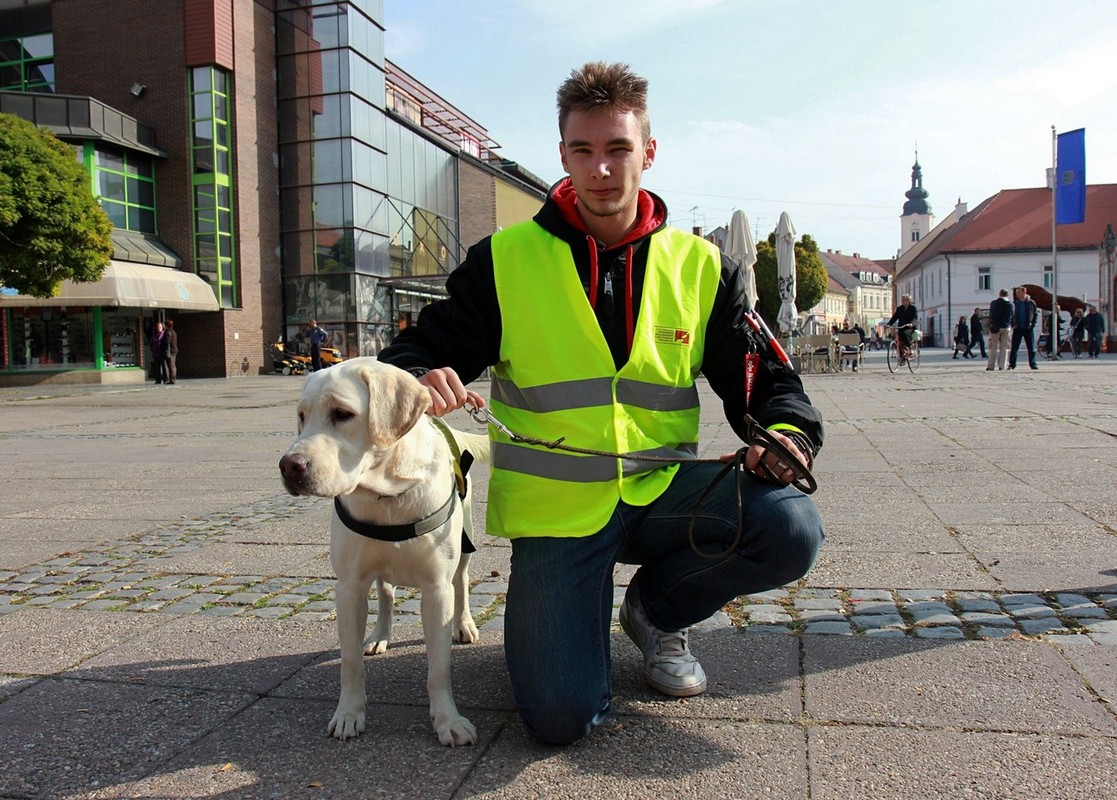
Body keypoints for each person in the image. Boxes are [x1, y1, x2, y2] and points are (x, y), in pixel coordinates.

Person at [378, 61, 825, 746]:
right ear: (563, 156)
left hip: (662, 491)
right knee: (561, 718)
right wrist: (420, 376)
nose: (602, 169)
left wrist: (786, 431)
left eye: (618, 148)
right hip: (558, 512)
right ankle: (564, 630)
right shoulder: (503, 260)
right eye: (583, 150)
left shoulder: (703, 267)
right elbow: (410, 353)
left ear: (648, 151)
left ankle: (656, 613)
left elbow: (767, 380)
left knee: (789, 524)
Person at [1008, 286, 1038, 370]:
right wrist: (1013, 325)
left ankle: (1033, 364)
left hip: (1028, 328)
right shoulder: (1015, 303)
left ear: (1024, 292)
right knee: (1014, 347)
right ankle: (1012, 364)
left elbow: (1035, 314)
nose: (1017, 294)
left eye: (1019, 292)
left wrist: (1033, 325)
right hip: (1017, 328)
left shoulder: (1031, 303)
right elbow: (1011, 315)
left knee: (1031, 348)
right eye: (1017, 292)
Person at [986, 288, 1013, 371]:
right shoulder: (1010, 304)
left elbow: (992, 315)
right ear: (1007, 295)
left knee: (993, 347)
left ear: (1000, 294)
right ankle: (1002, 365)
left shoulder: (994, 303)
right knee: (1004, 347)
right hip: (1006, 327)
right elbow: (1012, 315)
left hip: (996, 327)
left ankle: (991, 366)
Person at [886, 294, 918, 360]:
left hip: (910, 327)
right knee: (899, 341)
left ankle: (909, 348)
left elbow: (915, 317)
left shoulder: (913, 308)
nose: (902, 301)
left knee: (906, 333)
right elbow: (894, 317)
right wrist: (889, 324)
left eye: (904, 300)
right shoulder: (899, 309)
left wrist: (912, 323)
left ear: (908, 301)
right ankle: (902, 358)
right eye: (902, 300)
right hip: (901, 327)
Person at [164, 319, 178, 384]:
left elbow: (167, 342)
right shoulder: (173, 332)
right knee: (173, 365)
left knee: (170, 365)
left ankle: (172, 379)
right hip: (174, 350)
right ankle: (173, 378)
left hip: (170, 351)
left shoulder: (168, 332)